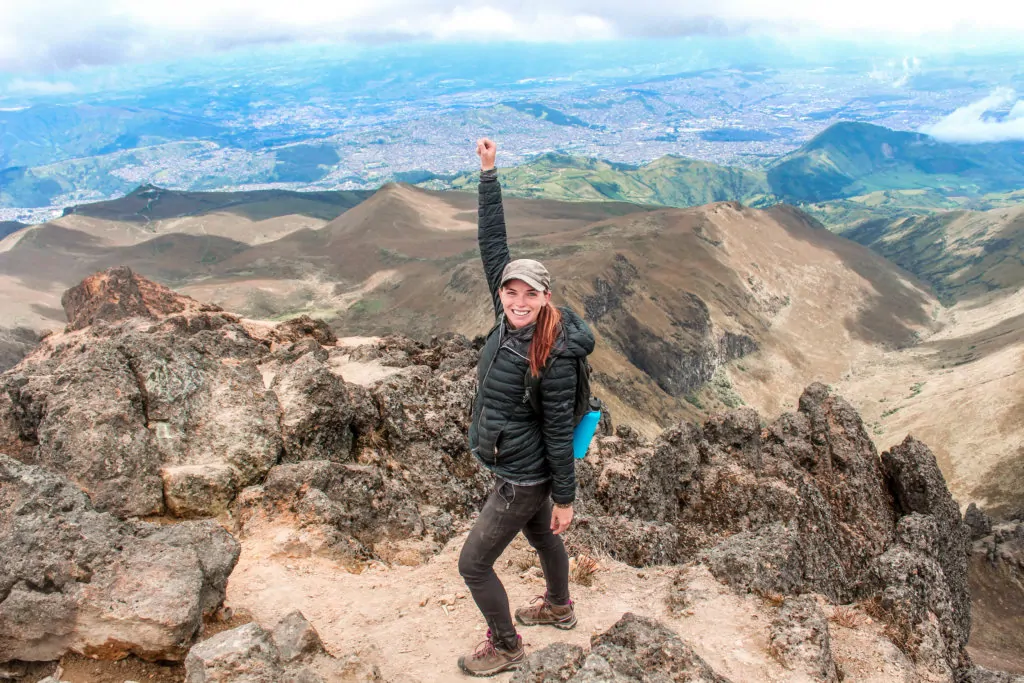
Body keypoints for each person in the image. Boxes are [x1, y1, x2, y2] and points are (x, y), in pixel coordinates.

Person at [457, 138, 595, 677]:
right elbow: (493, 244)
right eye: (509, 291)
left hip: (524, 475)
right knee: (541, 538)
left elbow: (559, 431)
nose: (516, 301)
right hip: (521, 465)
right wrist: (488, 174)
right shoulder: (507, 319)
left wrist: (565, 497)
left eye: (528, 295)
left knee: (473, 564)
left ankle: (508, 644)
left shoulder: (552, 355)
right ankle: (559, 607)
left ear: (545, 298)